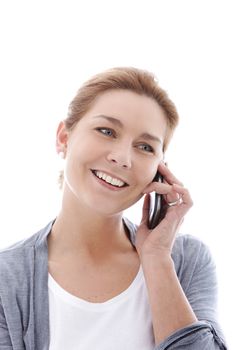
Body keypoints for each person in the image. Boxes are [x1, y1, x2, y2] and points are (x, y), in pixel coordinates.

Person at [0, 67, 228, 350]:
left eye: (145, 147)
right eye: (106, 131)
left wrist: (156, 259)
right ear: (64, 138)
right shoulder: (6, 278)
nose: (122, 158)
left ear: (160, 170)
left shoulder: (186, 262)